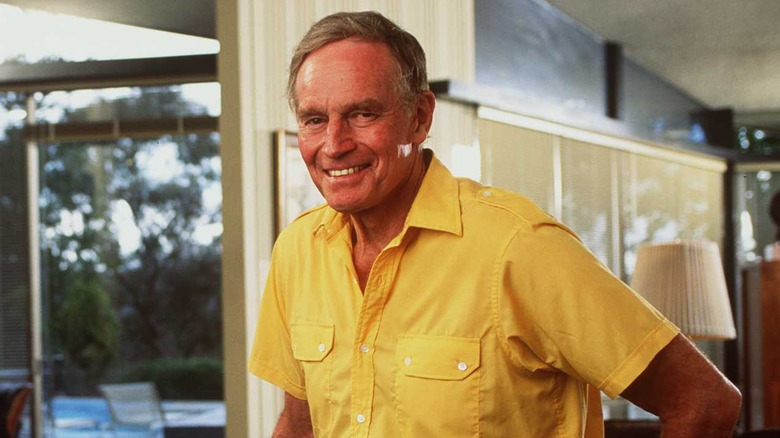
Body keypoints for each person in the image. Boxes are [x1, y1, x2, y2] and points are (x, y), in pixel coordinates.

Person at [249, 10, 741, 437]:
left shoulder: (519, 247)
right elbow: (301, 426)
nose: (333, 144)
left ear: (420, 118)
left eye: (361, 114)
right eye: (314, 120)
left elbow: (705, 402)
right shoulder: (298, 249)